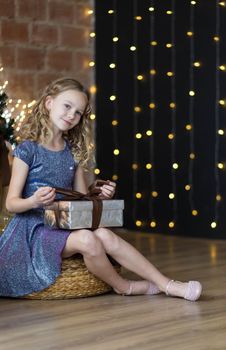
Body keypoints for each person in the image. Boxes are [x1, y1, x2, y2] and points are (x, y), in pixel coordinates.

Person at [0, 77, 202, 300]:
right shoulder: (28, 150)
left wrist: (98, 194)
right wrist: (34, 201)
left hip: (64, 223)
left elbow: (81, 200)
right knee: (88, 239)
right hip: (34, 229)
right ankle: (124, 286)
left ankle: (168, 284)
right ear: (49, 103)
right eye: (67, 106)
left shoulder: (72, 152)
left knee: (104, 234)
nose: (71, 115)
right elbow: (11, 204)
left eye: (78, 112)